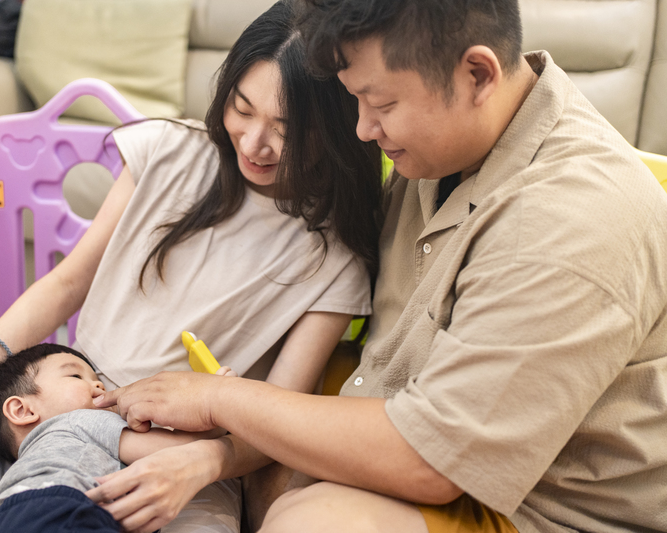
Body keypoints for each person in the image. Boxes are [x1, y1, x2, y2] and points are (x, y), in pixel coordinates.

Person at [92, 0, 667, 532]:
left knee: (309, 521)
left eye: (382, 103)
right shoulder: (440, 152)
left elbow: (435, 458)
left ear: (478, 76)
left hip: (529, 506)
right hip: (408, 419)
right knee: (251, 470)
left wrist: (219, 399)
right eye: (356, 101)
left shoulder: (570, 222)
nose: (365, 128)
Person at [0, 1, 383, 532]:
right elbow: (68, 281)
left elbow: (279, 419)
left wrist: (208, 462)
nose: (254, 144)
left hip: (173, 471)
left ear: (336, 126)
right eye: (242, 108)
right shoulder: (168, 151)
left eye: (287, 128)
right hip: (48, 429)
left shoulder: (336, 255)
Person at [0, 343, 233, 533]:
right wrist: (219, 402)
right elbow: (180, 449)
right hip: (59, 510)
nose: (99, 385)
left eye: (97, 379)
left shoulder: (41, 451)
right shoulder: (81, 420)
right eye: (75, 375)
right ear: (22, 410)